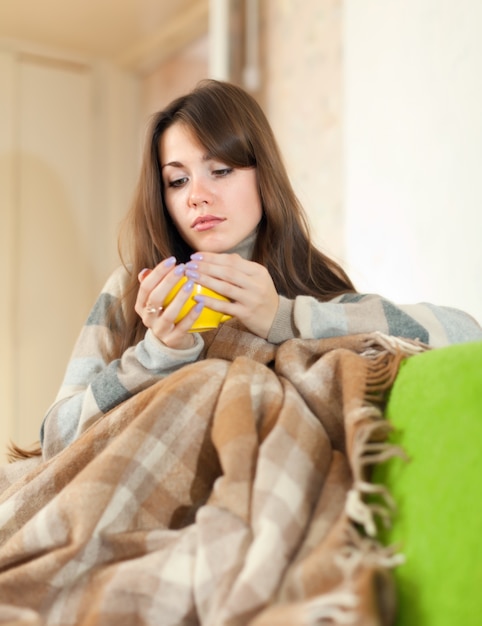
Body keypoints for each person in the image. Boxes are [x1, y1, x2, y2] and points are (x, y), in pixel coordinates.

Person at [39, 79, 482, 459]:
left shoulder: (309, 286)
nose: (196, 196)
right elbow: (54, 438)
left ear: (262, 174)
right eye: (177, 180)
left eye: (221, 169)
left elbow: (464, 332)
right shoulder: (132, 289)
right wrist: (156, 354)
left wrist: (283, 318)